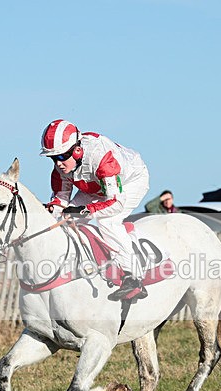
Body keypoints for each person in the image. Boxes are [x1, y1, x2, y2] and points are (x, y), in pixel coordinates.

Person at [41, 119, 150, 301]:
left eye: (61, 157)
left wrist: (84, 211)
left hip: (130, 182)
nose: (58, 163)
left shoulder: (101, 158)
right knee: (65, 221)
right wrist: (48, 212)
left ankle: (133, 277)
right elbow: (60, 201)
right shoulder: (61, 166)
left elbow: (116, 202)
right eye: (53, 158)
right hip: (96, 188)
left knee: (108, 221)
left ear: (76, 151)